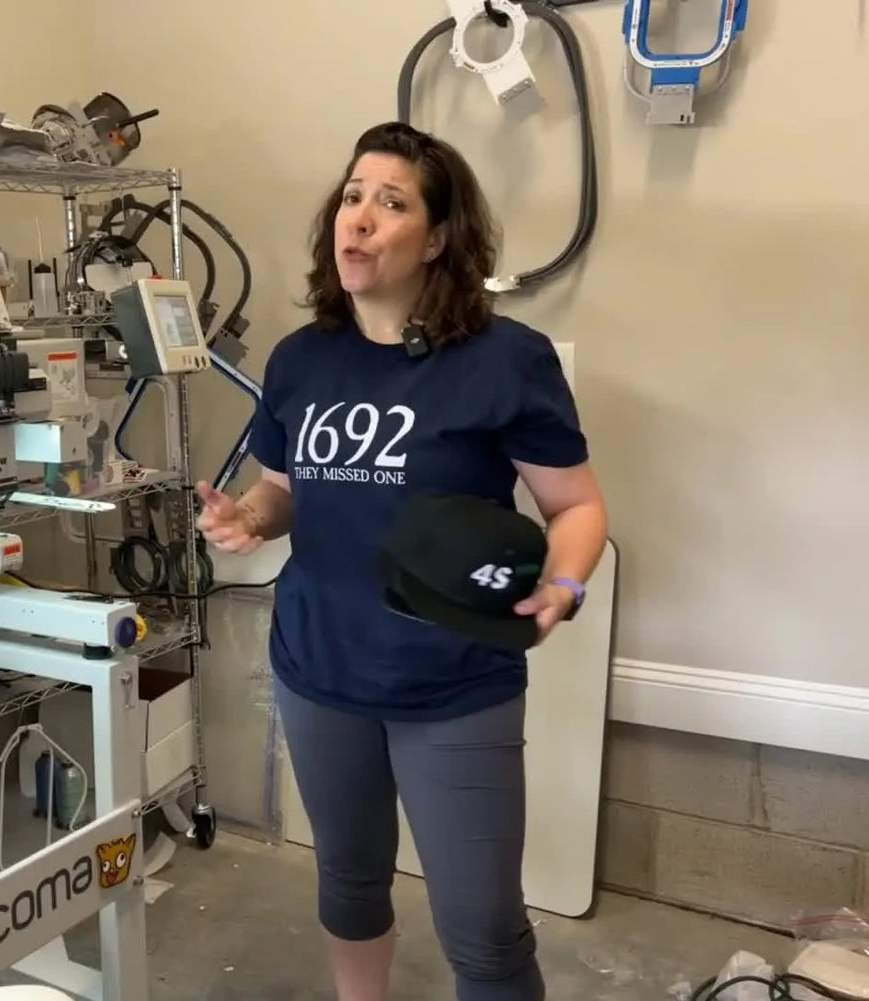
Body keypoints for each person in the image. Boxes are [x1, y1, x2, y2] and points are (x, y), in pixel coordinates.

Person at [195, 121, 609, 1001]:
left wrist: (565, 583)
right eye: (351, 197)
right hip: (317, 669)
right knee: (348, 882)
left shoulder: (505, 360)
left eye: (392, 202)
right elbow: (284, 490)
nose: (360, 218)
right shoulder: (302, 358)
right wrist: (249, 517)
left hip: (453, 684)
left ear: (441, 235)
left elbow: (577, 507)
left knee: (486, 934)